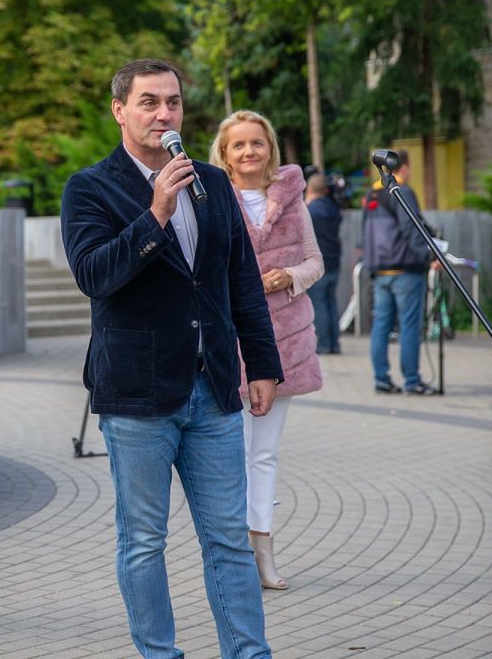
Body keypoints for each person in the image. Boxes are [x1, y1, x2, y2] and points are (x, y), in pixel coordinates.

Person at [61, 59, 283, 659]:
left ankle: (249, 652)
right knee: (143, 542)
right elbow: (94, 276)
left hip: (211, 390)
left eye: (174, 103)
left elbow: (239, 281)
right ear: (120, 111)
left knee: (230, 540)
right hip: (137, 395)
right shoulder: (91, 187)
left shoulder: (211, 183)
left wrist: (260, 365)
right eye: (150, 102)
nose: (164, 114)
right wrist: (155, 211)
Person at [209, 110, 324, 592]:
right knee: (226, 455)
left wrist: (288, 277)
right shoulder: (210, 196)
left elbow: (316, 261)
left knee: (265, 454)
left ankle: (263, 548)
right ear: (224, 152)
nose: (249, 152)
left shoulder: (292, 199)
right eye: (239, 145)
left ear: (270, 148)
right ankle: (229, 554)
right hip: (226, 340)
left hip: (286, 345)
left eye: (257, 143)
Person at [362, 149, 439, 395]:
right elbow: (411, 228)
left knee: (381, 326)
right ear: (403, 167)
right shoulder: (401, 191)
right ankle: (412, 380)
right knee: (409, 326)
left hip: (379, 271)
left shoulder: (371, 193)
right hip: (405, 269)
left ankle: (381, 379)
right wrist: (430, 255)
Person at [305, 173, 344, 354]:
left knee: (319, 304)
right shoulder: (333, 209)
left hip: (318, 263)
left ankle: (324, 344)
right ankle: (335, 343)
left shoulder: (310, 211)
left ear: (310, 188)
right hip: (334, 261)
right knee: (330, 303)